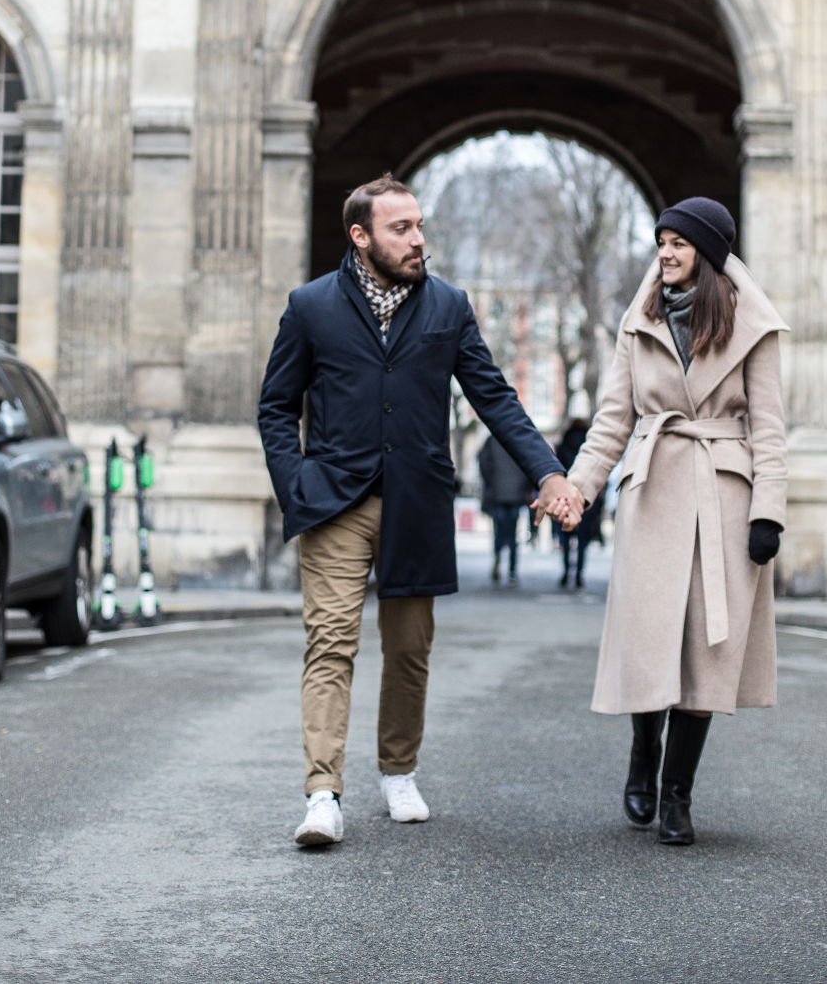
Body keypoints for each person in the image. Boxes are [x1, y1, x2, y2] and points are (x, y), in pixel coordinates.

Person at [258, 173, 576, 849]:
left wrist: (549, 473)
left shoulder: (448, 307)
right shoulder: (311, 306)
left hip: (418, 500)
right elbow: (276, 407)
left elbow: (496, 399)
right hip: (334, 500)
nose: (417, 240)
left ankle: (398, 771)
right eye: (401, 228)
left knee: (408, 650)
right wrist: (296, 484)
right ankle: (322, 793)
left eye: (420, 226)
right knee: (330, 644)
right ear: (360, 235)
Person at [550, 197, 787, 847]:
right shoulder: (639, 321)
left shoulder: (753, 327)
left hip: (725, 499)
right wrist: (578, 490)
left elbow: (768, 429)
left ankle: (677, 794)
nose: (665, 252)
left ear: (707, 254)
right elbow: (610, 424)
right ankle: (641, 754)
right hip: (653, 493)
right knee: (651, 638)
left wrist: (768, 513)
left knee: (707, 653)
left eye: (679, 243)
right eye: (660, 241)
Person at [553, 420, 604, 589]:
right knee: (583, 539)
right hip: (587, 497)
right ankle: (580, 574)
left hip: (565, 496)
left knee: (566, 536)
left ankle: (567, 571)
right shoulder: (590, 446)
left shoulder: (563, 446)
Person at [477, 434, 533, 585]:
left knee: (499, 531)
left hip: (498, 492)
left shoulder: (492, 439)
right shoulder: (520, 438)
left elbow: (482, 461)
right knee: (513, 533)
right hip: (516, 493)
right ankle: (512, 570)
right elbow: (530, 464)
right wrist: (525, 487)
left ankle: (497, 558)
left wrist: (491, 481)